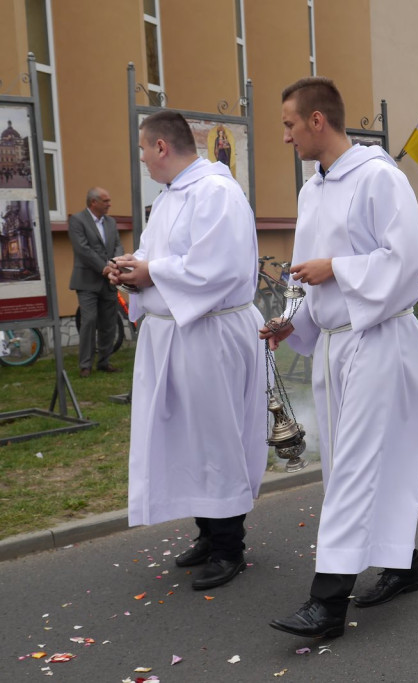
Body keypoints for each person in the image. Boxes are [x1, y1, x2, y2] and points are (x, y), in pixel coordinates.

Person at [263, 77, 418, 639]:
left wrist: (338, 267)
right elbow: (311, 275)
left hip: (379, 338)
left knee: (356, 463)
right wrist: (295, 322)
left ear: (317, 121)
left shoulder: (381, 177)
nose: (285, 136)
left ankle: (328, 602)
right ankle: (404, 566)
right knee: (347, 462)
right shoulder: (313, 189)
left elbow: (407, 261)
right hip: (336, 341)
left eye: (289, 124)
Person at [108, 110, 266, 591]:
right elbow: (163, 260)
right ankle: (206, 531)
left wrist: (151, 272)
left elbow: (216, 268)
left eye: (142, 148)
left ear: (161, 147)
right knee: (185, 439)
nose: (141, 157)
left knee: (216, 439)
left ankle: (229, 545)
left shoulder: (216, 192)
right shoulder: (171, 195)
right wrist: (129, 268)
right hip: (174, 336)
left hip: (209, 335)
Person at [68, 187, 123, 377]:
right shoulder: (77, 220)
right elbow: (83, 249)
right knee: (89, 320)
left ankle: (104, 361)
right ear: (93, 203)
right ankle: (85, 364)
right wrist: (104, 268)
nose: (109, 204)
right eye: (106, 201)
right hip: (87, 281)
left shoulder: (111, 222)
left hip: (109, 282)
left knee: (109, 323)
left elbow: (117, 244)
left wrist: (115, 264)